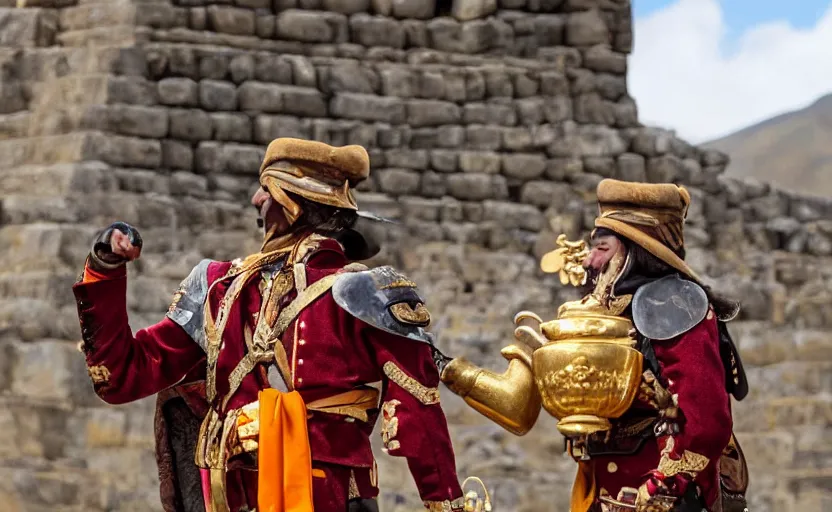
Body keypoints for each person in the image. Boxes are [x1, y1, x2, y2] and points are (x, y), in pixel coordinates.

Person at [73, 138, 466, 512]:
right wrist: (106, 268)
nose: (255, 200)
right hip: (234, 495)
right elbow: (124, 375)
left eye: (266, 189)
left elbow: (417, 406)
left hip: (326, 498)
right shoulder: (218, 287)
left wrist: (445, 502)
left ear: (292, 201)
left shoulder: (365, 289)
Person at [440, 179, 749, 512]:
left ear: (635, 250)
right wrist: (447, 368)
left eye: (601, 248)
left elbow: (707, 420)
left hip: (660, 496)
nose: (589, 261)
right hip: (598, 486)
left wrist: (662, 487)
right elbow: (519, 405)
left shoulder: (674, 305)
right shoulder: (595, 311)